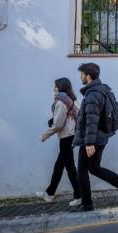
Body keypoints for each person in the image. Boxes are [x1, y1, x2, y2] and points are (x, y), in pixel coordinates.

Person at [71, 62, 118, 212]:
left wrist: (89, 143)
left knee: (82, 170)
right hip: (101, 138)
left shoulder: (93, 94)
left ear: (88, 76)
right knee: (94, 168)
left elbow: (92, 120)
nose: (80, 77)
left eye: (82, 74)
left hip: (93, 140)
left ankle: (87, 204)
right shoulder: (102, 89)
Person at [36, 78, 81, 206]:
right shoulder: (71, 99)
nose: (53, 88)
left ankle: (79, 195)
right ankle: (49, 194)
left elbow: (58, 125)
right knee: (59, 166)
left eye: (55, 86)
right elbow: (65, 117)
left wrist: (44, 136)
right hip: (71, 135)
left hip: (66, 137)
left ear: (60, 87)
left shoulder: (61, 102)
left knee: (70, 168)